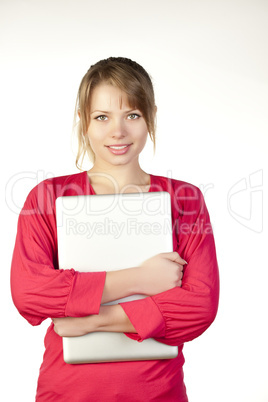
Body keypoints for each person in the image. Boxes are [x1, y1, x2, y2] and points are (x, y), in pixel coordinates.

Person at [11, 57, 220, 401]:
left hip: (158, 393)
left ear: (151, 116)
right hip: (67, 393)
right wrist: (140, 279)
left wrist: (93, 319)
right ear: (84, 122)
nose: (117, 132)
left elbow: (199, 308)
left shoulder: (185, 199)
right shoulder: (48, 197)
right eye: (102, 117)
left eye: (132, 115)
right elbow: (30, 293)